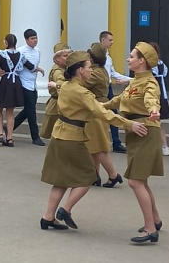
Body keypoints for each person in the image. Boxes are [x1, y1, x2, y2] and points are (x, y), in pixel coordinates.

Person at [39, 51, 147, 232]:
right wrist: (129, 124)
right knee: (88, 177)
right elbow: (103, 114)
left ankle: (47, 218)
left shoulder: (65, 86)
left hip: (59, 135)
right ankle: (64, 210)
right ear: (80, 70)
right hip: (73, 138)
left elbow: (61, 87)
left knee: (60, 179)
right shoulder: (82, 92)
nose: (91, 70)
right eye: (89, 67)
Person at [108, 42, 164, 244]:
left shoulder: (149, 82)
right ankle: (155, 220)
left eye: (131, 56)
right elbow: (119, 101)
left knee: (135, 181)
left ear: (142, 61)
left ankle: (150, 229)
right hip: (135, 130)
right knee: (142, 180)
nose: (128, 59)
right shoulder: (134, 81)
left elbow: (151, 99)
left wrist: (153, 110)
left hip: (145, 130)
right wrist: (96, 106)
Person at [85, 43, 123, 188]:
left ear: (92, 59)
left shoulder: (94, 73)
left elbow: (80, 84)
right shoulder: (100, 70)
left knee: (99, 148)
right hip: (96, 109)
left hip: (97, 110)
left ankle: (113, 175)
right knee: (93, 146)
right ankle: (94, 175)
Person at [13, 29, 46, 146]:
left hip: (33, 84)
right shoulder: (20, 51)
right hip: (24, 83)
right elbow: (19, 67)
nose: (35, 40)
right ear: (26, 40)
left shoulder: (38, 51)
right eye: (32, 39)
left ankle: (10, 128)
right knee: (31, 110)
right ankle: (35, 136)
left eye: (36, 38)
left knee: (28, 110)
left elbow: (35, 65)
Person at [99, 31, 128, 153]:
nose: (112, 42)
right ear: (102, 40)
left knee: (113, 113)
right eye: (110, 40)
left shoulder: (109, 58)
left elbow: (113, 73)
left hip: (108, 87)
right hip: (99, 87)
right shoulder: (96, 57)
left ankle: (116, 142)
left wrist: (130, 79)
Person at [40, 43, 71, 140]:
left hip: (61, 104)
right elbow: (61, 84)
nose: (68, 58)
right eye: (65, 56)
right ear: (57, 59)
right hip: (56, 107)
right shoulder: (58, 71)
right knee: (57, 136)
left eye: (70, 55)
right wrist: (58, 85)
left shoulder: (65, 68)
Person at [149, 42, 169, 156]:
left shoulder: (157, 65)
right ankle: (160, 146)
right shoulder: (157, 64)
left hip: (156, 94)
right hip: (154, 94)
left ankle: (164, 146)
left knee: (157, 121)